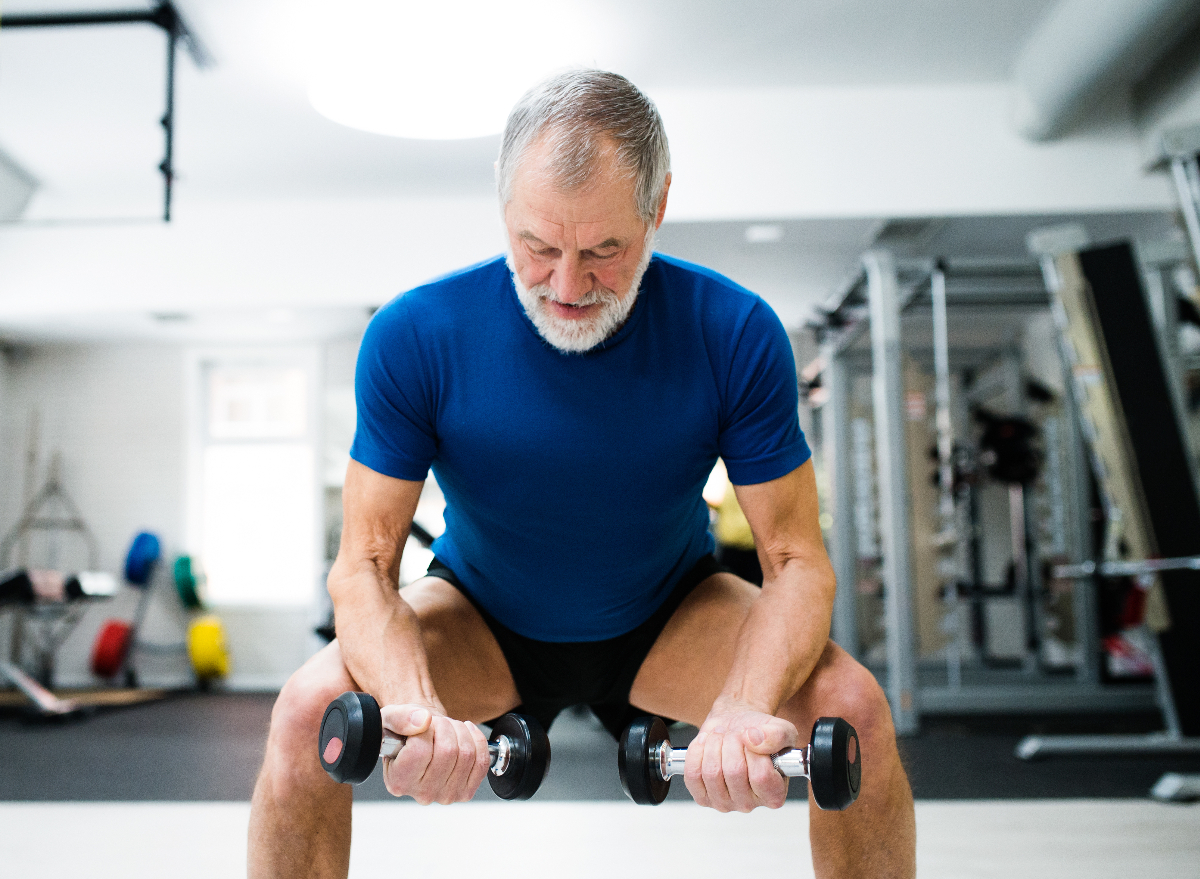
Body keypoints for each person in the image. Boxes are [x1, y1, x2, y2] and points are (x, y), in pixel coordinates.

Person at [248, 69, 916, 879]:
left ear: (657, 207)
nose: (567, 285)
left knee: (854, 710)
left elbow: (796, 561)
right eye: (538, 247)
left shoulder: (733, 330)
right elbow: (363, 563)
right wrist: (413, 707)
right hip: (481, 613)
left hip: (671, 612)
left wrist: (743, 705)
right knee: (303, 716)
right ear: (504, 210)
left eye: (604, 250)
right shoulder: (416, 334)